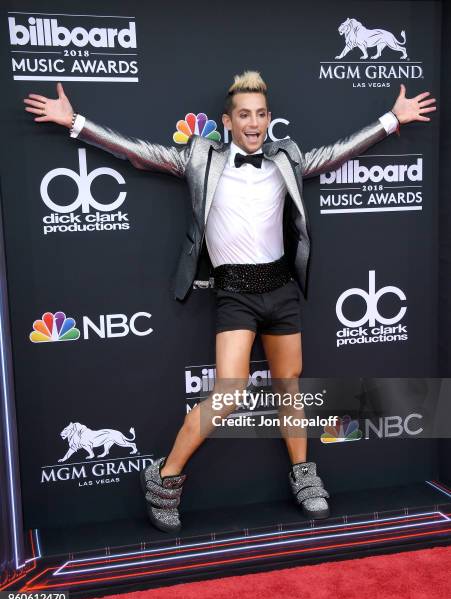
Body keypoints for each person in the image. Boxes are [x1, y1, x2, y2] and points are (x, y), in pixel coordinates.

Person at [24, 71, 436, 533]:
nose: (253, 122)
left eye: (261, 114)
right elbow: (139, 153)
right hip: (234, 292)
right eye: (244, 115)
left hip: (282, 290)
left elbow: (337, 152)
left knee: (290, 386)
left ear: (269, 119)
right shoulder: (202, 157)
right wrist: (75, 122)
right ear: (227, 121)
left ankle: (304, 476)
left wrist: (391, 120)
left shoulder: (288, 156)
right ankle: (164, 476)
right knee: (230, 391)